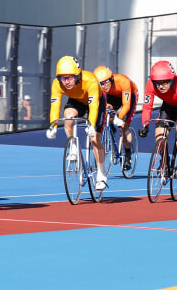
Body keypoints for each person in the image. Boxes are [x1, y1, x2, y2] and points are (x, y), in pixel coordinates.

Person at [47, 56, 108, 190]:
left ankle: (101, 174)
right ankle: (73, 146)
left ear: (77, 76)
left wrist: (91, 125)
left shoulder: (90, 80)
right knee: (68, 117)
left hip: (96, 101)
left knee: (94, 139)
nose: (66, 82)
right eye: (63, 78)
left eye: (69, 77)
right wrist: (53, 125)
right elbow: (55, 105)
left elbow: (93, 106)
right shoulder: (57, 84)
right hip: (77, 100)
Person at [139, 60, 177, 179]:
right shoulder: (150, 85)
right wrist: (145, 125)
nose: (161, 86)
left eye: (165, 82)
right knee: (159, 135)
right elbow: (147, 107)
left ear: (172, 79)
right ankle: (164, 161)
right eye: (157, 83)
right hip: (168, 105)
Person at [93, 65, 138, 171]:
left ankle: (127, 155)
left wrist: (119, 118)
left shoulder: (124, 81)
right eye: (100, 84)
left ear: (111, 79)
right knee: (107, 111)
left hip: (128, 95)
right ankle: (111, 128)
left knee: (124, 125)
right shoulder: (102, 88)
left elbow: (126, 105)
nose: (102, 86)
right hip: (112, 97)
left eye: (105, 82)